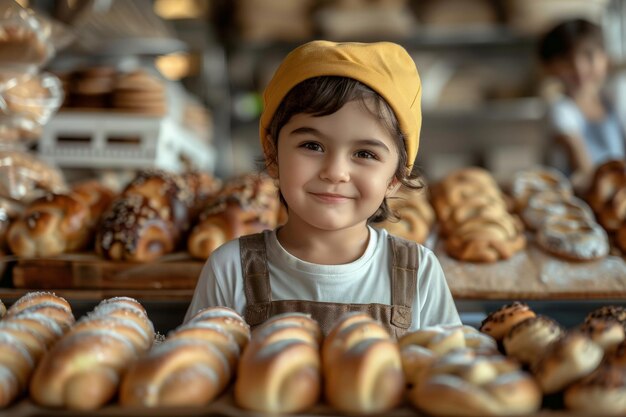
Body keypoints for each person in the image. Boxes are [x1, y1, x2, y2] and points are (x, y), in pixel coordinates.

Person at [185, 41, 461, 336]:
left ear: (394, 178)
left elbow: (448, 372)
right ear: (273, 155)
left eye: (365, 154)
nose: (335, 172)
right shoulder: (231, 270)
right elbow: (197, 365)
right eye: (312, 146)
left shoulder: (418, 271)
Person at [539, 18, 626, 178]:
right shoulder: (560, 110)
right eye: (567, 60)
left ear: (605, 59)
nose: (579, 68)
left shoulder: (612, 102)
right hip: (580, 198)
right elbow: (584, 170)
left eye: (589, 55)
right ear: (549, 67)